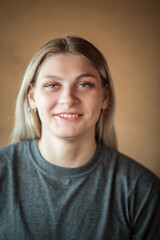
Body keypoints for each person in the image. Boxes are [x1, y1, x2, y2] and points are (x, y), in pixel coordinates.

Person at [0, 36, 159, 240]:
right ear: (32, 97)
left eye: (84, 84)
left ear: (105, 96)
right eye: (52, 85)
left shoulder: (142, 190)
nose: (68, 99)